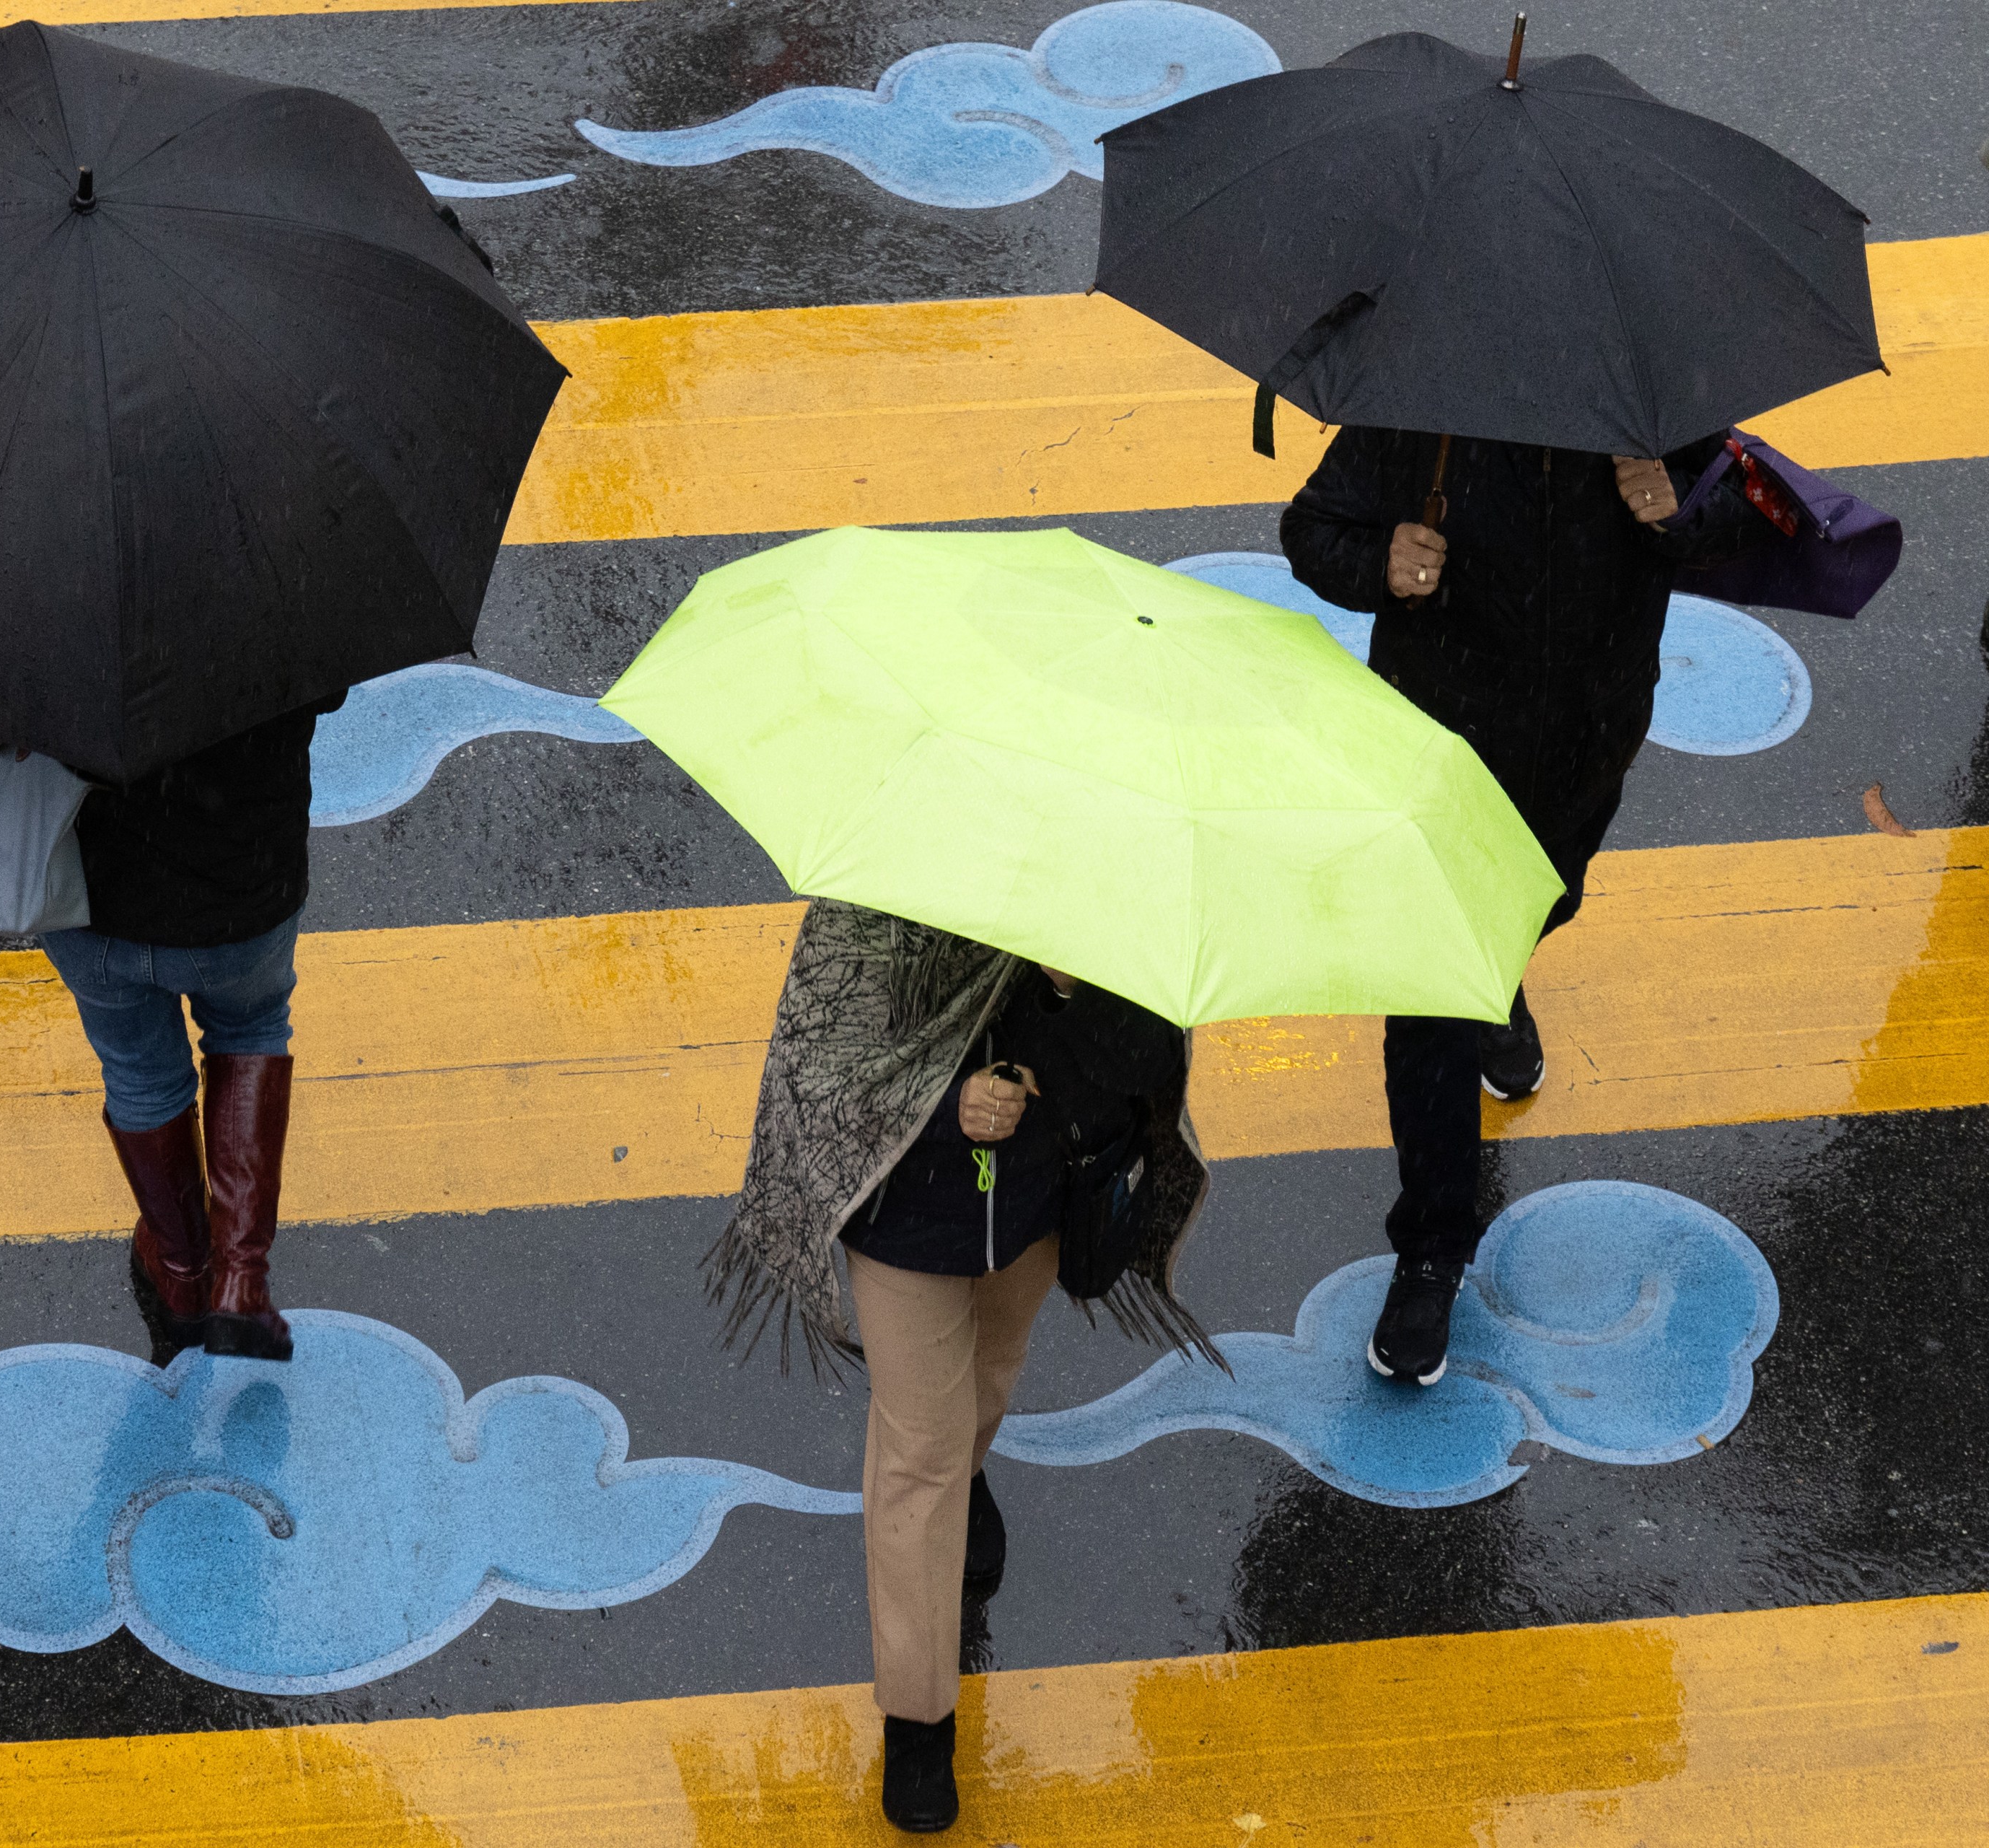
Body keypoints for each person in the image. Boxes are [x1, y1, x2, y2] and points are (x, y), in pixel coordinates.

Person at [710, 900, 1218, 1834]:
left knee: (987, 1384)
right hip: (906, 1224)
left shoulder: (1109, 902)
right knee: (920, 1455)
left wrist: (1068, 997)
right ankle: (918, 1720)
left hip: (1029, 1216)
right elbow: (823, 1077)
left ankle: (969, 1473)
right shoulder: (883, 901)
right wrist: (953, 1111)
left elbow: (1146, 1076)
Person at [1283, 432, 1765, 1386]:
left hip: (1588, 745)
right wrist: (1379, 563)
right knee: (1433, 996)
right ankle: (1430, 1252)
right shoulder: (1428, 400)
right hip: (1441, 752)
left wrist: (1676, 510)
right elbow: (1312, 529)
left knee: (1537, 908)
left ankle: (1497, 977)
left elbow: (1742, 517)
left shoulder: (1648, 396)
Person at [31, 693, 342, 1362]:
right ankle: (240, 1281)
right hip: (242, 889)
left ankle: (182, 1275)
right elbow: (326, 686)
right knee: (252, 1026)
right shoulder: (278, 589)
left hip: (89, 892)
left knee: (139, 1070)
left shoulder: (38, 599)